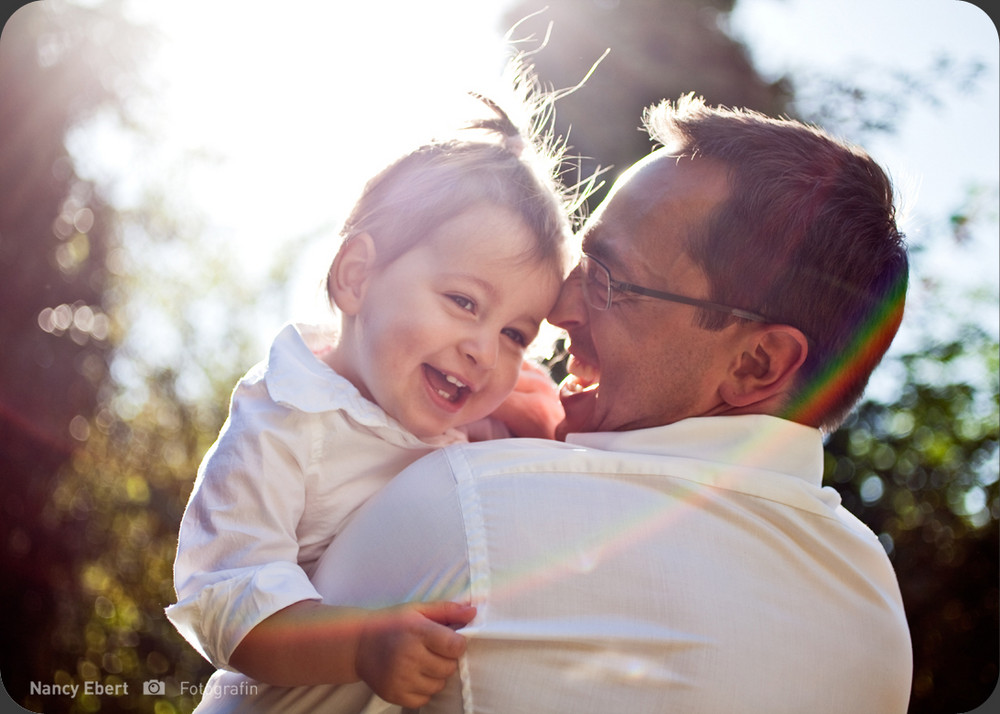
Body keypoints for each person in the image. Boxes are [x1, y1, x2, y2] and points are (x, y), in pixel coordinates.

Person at [239, 92, 913, 713]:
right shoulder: (877, 617)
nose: (558, 307)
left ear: (756, 364)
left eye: (611, 280)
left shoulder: (466, 511)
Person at [165, 80, 582, 712]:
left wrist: (546, 428)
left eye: (515, 333)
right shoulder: (285, 419)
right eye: (464, 302)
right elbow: (227, 598)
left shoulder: (474, 410)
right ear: (358, 278)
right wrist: (361, 645)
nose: (483, 350)